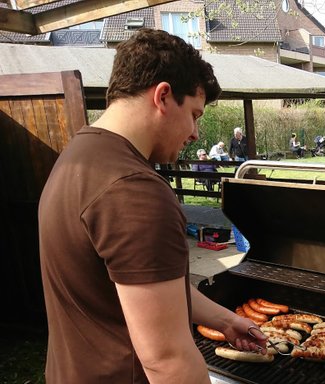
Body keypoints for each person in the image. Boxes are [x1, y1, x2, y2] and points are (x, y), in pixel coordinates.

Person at [38, 29, 267, 384]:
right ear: (162, 96)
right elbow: (167, 360)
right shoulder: (135, 193)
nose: (194, 133)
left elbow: (147, 285)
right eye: (194, 113)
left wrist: (224, 320)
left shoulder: (78, 158)